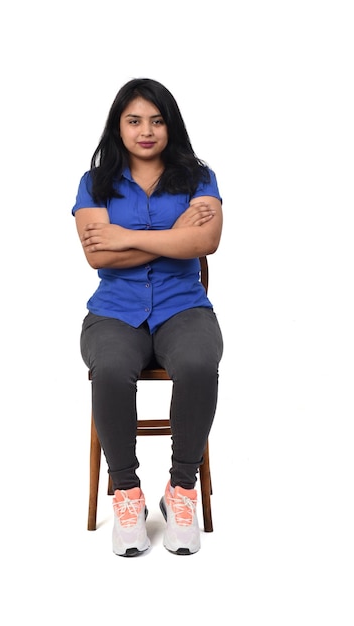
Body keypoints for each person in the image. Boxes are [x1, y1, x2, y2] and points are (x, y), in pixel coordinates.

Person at [72, 78, 223, 556]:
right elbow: (99, 257)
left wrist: (123, 236)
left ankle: (180, 491)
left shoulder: (199, 177)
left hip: (185, 307)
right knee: (112, 369)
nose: (146, 130)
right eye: (134, 120)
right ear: (118, 127)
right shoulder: (94, 182)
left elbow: (204, 243)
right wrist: (171, 235)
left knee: (199, 363)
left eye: (157, 120)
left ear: (170, 126)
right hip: (114, 313)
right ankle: (127, 494)